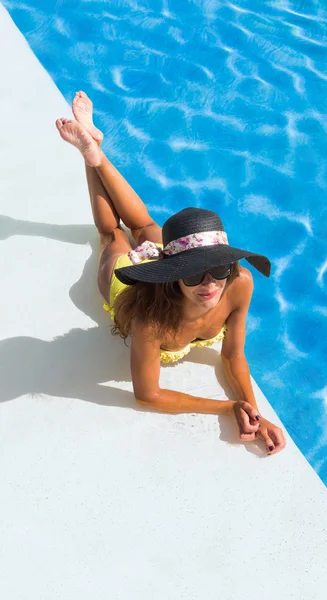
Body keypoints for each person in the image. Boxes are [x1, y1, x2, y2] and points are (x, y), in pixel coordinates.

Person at [55, 91, 286, 455]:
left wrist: (251, 410)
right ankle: (91, 158)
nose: (210, 283)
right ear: (174, 273)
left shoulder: (239, 284)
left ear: (229, 264)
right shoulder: (151, 319)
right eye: (194, 274)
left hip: (166, 261)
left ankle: (96, 149)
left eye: (218, 268)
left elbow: (232, 355)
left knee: (144, 224)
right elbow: (148, 395)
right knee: (112, 233)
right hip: (124, 280)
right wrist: (226, 408)